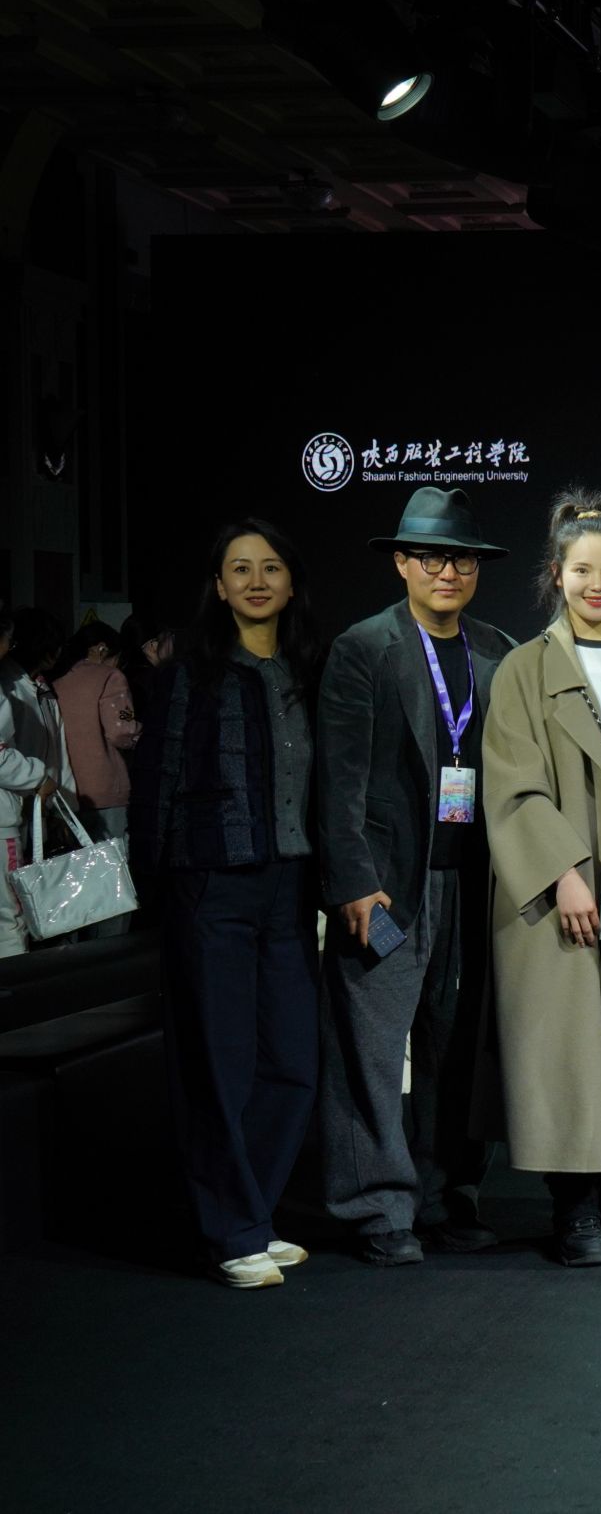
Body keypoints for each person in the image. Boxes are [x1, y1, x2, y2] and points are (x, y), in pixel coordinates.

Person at [317, 486, 514, 1266]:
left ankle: (447, 1196)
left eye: (461, 559)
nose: (447, 572)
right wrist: (351, 883)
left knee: (457, 1050)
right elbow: (338, 779)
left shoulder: (497, 649)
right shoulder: (364, 648)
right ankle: (377, 1208)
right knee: (370, 1053)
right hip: (388, 885)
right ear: (401, 563)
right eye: (431, 558)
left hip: (474, 884)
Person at [479, 493, 601, 1266]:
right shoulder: (523, 669)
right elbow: (513, 782)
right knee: (563, 1042)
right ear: (556, 575)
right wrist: (562, 873)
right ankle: (573, 1206)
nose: (598, 585)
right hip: (555, 880)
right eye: (583, 570)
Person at [129, 520, 325, 1286]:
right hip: (211, 884)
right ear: (218, 585)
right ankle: (233, 1230)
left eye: (270, 567)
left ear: (290, 581)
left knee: (293, 1062)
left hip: (290, 887)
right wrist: (156, 889)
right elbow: (157, 782)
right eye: (240, 569)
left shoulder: (308, 670)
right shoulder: (190, 673)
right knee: (219, 1062)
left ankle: (253, 1211)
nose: (256, 581)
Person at [51, 623, 142, 913]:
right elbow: (121, 730)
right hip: (105, 789)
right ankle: (113, 937)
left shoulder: (57, 679)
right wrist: (142, 732)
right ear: (103, 649)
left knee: (77, 879)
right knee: (113, 880)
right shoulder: (110, 677)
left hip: (65, 792)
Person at [0, 608, 73, 959]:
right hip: (11, 811)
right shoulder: (8, 684)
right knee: (10, 917)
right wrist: (38, 779)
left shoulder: (41, 688)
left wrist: (61, 801)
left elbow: (57, 750)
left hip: (29, 806)